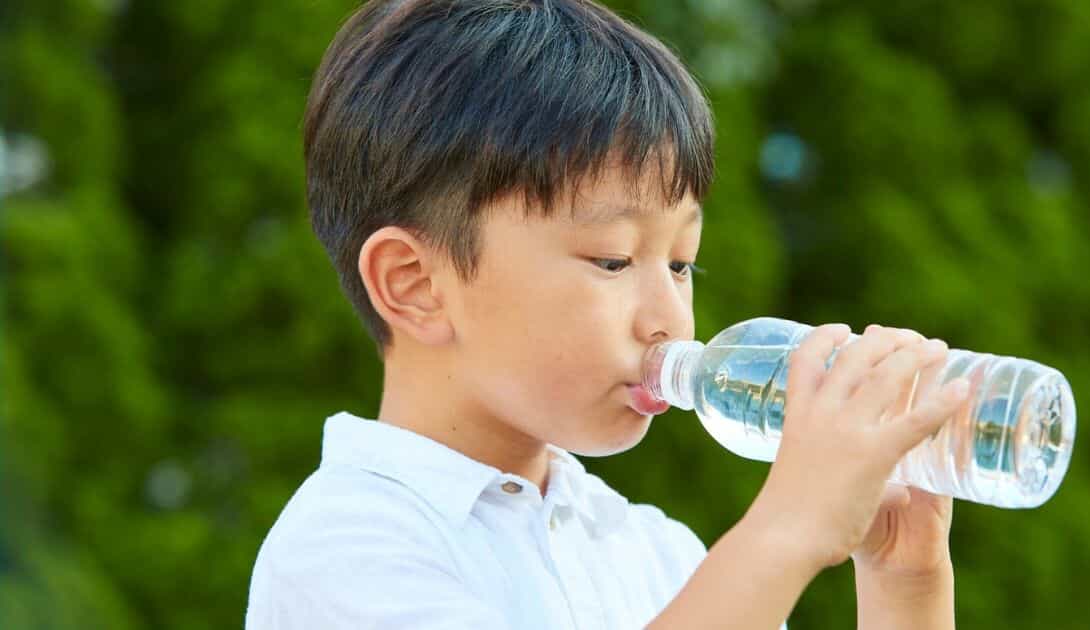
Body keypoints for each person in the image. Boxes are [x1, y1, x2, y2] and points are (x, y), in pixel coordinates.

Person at [245, 0, 970, 627]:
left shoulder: (657, 555)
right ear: (416, 285)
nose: (669, 320)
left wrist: (905, 583)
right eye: (615, 261)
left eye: (681, 263)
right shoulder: (348, 548)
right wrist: (787, 530)